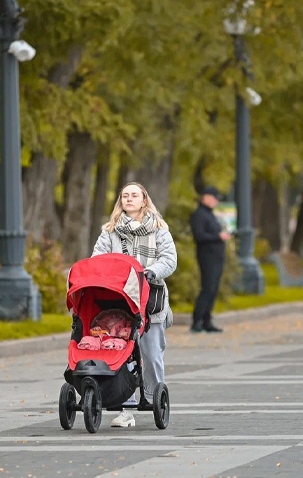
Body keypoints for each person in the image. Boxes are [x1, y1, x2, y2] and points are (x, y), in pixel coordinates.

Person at [92, 182, 177, 428]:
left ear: (144, 200)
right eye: (125, 195)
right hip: (120, 299)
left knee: (151, 354)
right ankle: (126, 409)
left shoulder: (159, 229)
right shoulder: (110, 230)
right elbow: (98, 256)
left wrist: (151, 271)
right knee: (123, 352)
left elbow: (169, 259)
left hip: (150, 299)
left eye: (134, 195)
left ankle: (152, 397)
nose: (129, 199)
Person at [190, 186, 231, 333]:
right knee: (207, 288)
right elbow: (199, 236)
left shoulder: (210, 215)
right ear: (206, 197)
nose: (216, 201)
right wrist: (218, 237)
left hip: (217, 257)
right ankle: (197, 320)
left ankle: (207, 320)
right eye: (214, 198)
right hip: (207, 256)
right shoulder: (199, 215)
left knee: (213, 289)